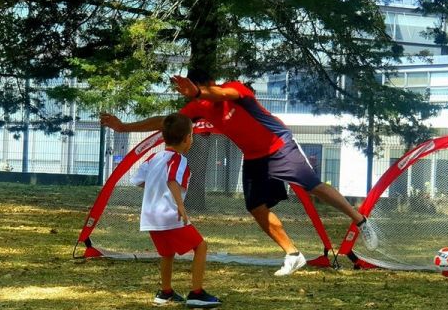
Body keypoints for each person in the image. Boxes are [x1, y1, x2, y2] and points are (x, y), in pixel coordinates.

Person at [101, 69, 379, 276]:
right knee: (256, 208)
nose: (196, 93)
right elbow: (167, 122)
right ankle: (293, 254)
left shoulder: (233, 90)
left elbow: (221, 94)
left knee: (313, 185)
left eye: (199, 88)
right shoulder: (198, 107)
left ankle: (360, 220)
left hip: (278, 145)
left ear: (209, 83)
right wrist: (124, 127)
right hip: (255, 157)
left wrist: (197, 92)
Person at [134, 113, 221, 309]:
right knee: (201, 246)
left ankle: (165, 293)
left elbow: (140, 180)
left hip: (150, 216)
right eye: (192, 135)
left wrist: (155, 189)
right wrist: (180, 206)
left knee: (167, 253)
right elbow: (172, 179)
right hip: (169, 213)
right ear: (187, 138)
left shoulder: (154, 157)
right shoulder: (178, 159)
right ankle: (197, 293)